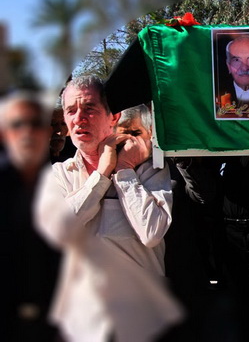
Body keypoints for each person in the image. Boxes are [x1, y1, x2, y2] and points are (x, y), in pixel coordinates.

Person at [34, 75, 183, 342]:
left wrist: (124, 170)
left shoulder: (148, 169)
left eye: (89, 108)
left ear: (112, 117)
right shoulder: (60, 174)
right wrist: (101, 175)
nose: (79, 118)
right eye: (71, 110)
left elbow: (151, 232)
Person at [0, 91, 61, 341]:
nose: (27, 132)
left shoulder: (66, 180)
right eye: (17, 124)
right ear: (4, 133)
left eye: (36, 123)